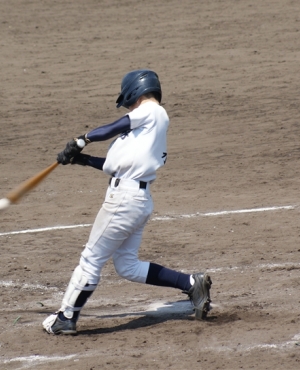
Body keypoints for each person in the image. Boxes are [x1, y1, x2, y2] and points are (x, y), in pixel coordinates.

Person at [42, 69, 212, 335]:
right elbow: (114, 167)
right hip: (136, 200)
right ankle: (191, 283)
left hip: (124, 201)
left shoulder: (152, 110)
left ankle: (66, 317)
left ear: (136, 92)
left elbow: (114, 127)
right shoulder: (145, 132)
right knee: (127, 266)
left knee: (91, 259)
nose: (129, 107)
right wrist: (81, 160)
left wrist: (82, 139)